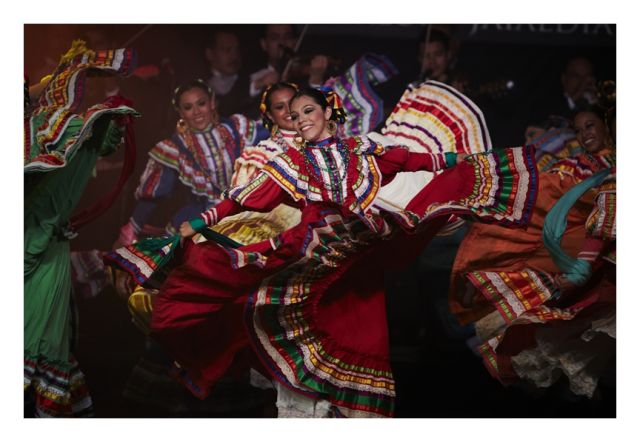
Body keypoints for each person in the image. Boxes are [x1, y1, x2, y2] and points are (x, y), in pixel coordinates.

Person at [107, 85, 538, 417]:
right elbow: (245, 199)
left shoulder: (362, 150)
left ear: (329, 111)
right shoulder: (289, 163)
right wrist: (198, 223)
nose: (299, 121)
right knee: (280, 333)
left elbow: (409, 161)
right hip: (309, 260)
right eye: (293, 115)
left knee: (362, 348)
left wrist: (458, 162)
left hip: (357, 259)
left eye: (306, 110)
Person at [449, 105, 615, 399]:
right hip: (589, 264)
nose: (585, 134)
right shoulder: (575, 168)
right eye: (579, 130)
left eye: (590, 126)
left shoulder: (614, 167)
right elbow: (549, 200)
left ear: (607, 125)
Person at [24, 40, 137, 417]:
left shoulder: (43, 126)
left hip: (43, 245)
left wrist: (72, 69)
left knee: (42, 340)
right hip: (31, 238)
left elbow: (87, 133)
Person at [114, 79, 267, 248]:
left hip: (246, 208)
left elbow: (275, 137)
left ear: (212, 103)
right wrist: (132, 227)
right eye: (188, 107)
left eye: (201, 103)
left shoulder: (238, 128)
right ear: (180, 113)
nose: (196, 112)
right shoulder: (175, 149)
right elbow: (154, 194)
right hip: (201, 217)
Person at [204, 28, 255, 117]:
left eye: (237, 50)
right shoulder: (201, 86)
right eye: (227, 50)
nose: (234, 55)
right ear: (210, 54)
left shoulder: (251, 78)